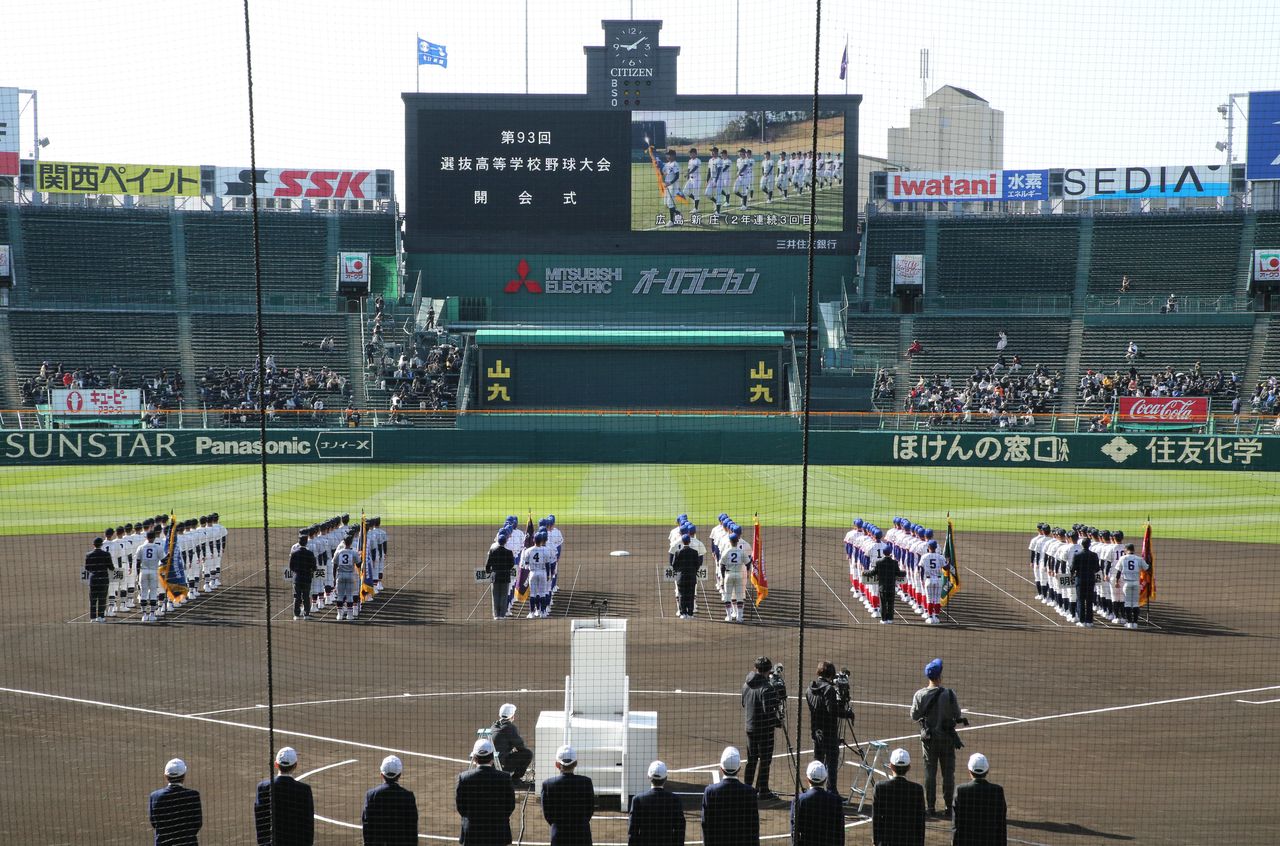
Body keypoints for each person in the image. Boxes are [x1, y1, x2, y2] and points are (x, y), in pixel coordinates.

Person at [910, 660, 966, 818]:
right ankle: (949, 807)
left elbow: (914, 716)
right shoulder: (949, 694)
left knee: (930, 773)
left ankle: (931, 807)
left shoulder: (920, 695)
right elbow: (957, 714)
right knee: (948, 774)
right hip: (947, 739)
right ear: (939, 676)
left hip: (929, 741)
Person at [456, 738, 516, 846]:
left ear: (474, 758)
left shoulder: (464, 778)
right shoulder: (505, 777)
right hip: (498, 832)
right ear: (492, 757)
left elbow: (461, 807)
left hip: (472, 833)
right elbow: (510, 806)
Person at [741, 655, 785, 800]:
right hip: (764, 730)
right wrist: (778, 722)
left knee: (751, 760)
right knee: (765, 760)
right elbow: (769, 712)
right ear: (768, 670)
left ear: (756, 668)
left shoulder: (746, 684)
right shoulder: (767, 688)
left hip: (750, 727)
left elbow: (743, 703)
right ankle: (763, 789)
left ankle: (747, 788)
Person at [806, 662, 853, 795]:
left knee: (818, 761)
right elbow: (832, 711)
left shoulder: (809, 689)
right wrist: (847, 713)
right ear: (831, 674)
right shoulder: (829, 690)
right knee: (831, 764)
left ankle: (815, 791)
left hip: (816, 732)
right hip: (829, 732)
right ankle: (832, 792)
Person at [254, 747, 314, 846]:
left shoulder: (263, 787)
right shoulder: (304, 790)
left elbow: (260, 820)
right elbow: (308, 823)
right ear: (295, 765)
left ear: (276, 764)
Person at [701, 747, 759, 846]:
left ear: (721, 768)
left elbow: (706, 825)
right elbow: (754, 828)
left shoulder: (710, 792)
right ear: (739, 768)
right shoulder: (750, 792)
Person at [542, 745, 595, 846]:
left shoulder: (548, 784)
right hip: (582, 833)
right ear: (575, 763)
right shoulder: (586, 782)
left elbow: (547, 814)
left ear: (557, 765)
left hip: (559, 834)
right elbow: (590, 809)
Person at [871, 748, 925, 846]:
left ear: (890, 766)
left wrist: (876, 841)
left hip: (887, 842)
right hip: (910, 841)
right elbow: (920, 821)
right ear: (909, 767)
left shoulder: (880, 787)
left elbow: (876, 818)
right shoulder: (917, 789)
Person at [362, 755, 419, 846]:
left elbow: (367, 824)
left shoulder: (371, 795)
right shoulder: (408, 796)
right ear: (399, 775)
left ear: (382, 774)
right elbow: (412, 826)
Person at [951, 753, 1006, 846]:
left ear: (970, 770)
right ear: (987, 770)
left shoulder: (961, 790)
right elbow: (1001, 825)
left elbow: (956, 824)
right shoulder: (997, 791)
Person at [627, 760, 684, 846]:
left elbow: (632, 832)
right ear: (666, 778)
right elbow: (680, 831)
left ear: (648, 777)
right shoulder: (675, 800)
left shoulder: (637, 800)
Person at [149, 758, 202, 846]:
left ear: (166, 776)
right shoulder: (193, 795)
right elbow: (197, 823)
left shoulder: (155, 796)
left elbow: (154, 823)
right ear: (184, 776)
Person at [790, 761, 843, 846]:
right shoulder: (836, 801)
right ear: (825, 779)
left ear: (808, 779)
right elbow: (840, 834)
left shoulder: (799, 800)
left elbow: (794, 832)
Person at [491, 703, 534, 784]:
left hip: (492, 762)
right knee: (527, 754)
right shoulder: (510, 728)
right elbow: (520, 747)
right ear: (512, 716)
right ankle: (515, 779)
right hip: (501, 764)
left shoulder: (494, 725)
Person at [865, 539, 905, 624]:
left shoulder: (879, 563)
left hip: (882, 587)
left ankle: (884, 619)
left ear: (883, 553)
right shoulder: (894, 563)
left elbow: (873, 572)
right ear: (890, 553)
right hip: (891, 587)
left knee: (883, 604)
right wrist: (904, 573)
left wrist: (865, 573)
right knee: (891, 604)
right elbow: (898, 573)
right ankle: (890, 619)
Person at [1114, 542, 1149, 629]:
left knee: (1128, 603)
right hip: (1136, 583)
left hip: (1127, 583)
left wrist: (1116, 581)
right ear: (1133, 550)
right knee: (1136, 603)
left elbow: (1118, 572)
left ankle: (1129, 623)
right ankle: (1135, 623)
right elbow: (1148, 568)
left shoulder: (1123, 558)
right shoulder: (1139, 559)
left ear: (1126, 550)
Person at [485, 530, 516, 619]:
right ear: (505, 541)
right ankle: (502, 614)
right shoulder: (509, 552)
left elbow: (488, 564)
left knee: (495, 595)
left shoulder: (492, 550)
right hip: (505, 575)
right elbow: (512, 564)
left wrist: (488, 571)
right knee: (504, 595)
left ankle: (496, 615)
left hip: (495, 575)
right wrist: (507, 569)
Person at [1071, 537, 1101, 628]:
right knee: (1089, 601)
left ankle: (1082, 620)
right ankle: (1089, 621)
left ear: (1082, 545)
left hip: (1080, 579)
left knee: (1080, 600)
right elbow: (1097, 568)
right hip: (1090, 579)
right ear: (1089, 545)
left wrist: (1074, 573)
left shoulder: (1077, 555)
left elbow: (1072, 568)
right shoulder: (1094, 555)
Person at [83, 536, 114, 622]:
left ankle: (92, 617)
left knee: (93, 599)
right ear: (102, 544)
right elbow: (111, 567)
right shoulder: (106, 554)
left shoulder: (88, 555)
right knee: (102, 598)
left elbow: (87, 568)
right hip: (103, 578)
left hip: (93, 579)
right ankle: (101, 616)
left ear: (93, 544)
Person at [288, 532, 318, 621]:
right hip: (307, 578)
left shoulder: (294, 553)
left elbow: (291, 567)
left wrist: (297, 571)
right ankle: (306, 614)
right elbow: (314, 567)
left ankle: (296, 615)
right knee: (306, 596)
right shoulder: (310, 553)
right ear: (306, 542)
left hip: (297, 578)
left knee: (296, 596)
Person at [671, 534, 701, 619]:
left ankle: (683, 613)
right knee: (690, 595)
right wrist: (693, 571)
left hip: (681, 577)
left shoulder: (678, 552)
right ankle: (690, 613)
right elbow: (697, 565)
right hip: (691, 577)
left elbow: (674, 565)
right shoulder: (694, 552)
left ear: (682, 541)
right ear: (690, 541)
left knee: (682, 595)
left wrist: (679, 571)